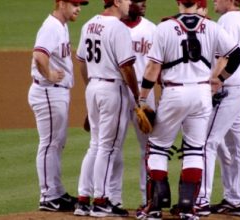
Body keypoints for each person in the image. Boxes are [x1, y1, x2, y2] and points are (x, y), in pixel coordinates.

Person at [136, 0, 240, 219]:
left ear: (178, 2)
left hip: (174, 93)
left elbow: (152, 67)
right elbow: (238, 55)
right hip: (202, 94)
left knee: (158, 148)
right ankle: (188, 208)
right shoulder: (212, 27)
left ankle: (154, 208)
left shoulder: (164, 28)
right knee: (195, 149)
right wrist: (219, 79)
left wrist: (142, 97)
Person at [74, 0, 140, 218]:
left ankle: (83, 200)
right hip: (113, 89)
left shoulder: (89, 24)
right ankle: (100, 201)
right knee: (108, 147)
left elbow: (82, 62)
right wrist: (137, 95)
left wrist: (90, 88)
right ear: (117, 1)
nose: (130, 3)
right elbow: (127, 66)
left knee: (95, 144)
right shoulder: (118, 27)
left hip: (92, 86)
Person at [195, 0, 240, 217]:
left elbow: (226, 56)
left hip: (228, 92)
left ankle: (200, 199)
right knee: (238, 147)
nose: (214, 2)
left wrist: (218, 80)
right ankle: (235, 200)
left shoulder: (227, 20)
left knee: (205, 142)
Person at [27, 0, 89, 212]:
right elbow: (39, 55)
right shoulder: (51, 26)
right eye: (75, 4)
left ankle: (56, 192)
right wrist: (50, 75)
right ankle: (48, 196)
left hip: (55, 93)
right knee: (50, 144)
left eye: (81, 4)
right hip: (48, 92)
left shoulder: (61, 26)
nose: (78, 8)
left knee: (56, 143)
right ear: (61, 3)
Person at [119, 0, 157, 208]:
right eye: (138, 0)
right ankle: (111, 198)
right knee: (113, 146)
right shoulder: (113, 27)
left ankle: (147, 199)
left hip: (145, 94)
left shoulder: (152, 29)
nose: (144, 3)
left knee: (149, 148)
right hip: (117, 92)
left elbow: (159, 66)